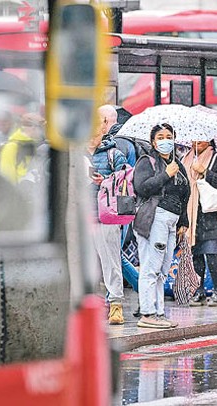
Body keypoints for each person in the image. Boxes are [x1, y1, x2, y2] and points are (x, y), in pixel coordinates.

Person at [133, 123, 190, 329]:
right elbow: (142, 187)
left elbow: (185, 195)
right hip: (154, 218)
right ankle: (147, 312)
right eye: (160, 137)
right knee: (151, 267)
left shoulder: (178, 164)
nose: (165, 140)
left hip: (172, 220)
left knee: (163, 269)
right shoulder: (147, 162)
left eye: (169, 136)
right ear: (153, 142)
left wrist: (184, 221)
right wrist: (166, 174)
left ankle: (158, 312)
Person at [88, 117, 127, 324]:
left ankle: (115, 304)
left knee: (111, 262)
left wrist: (106, 181)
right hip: (82, 216)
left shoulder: (114, 154)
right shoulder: (74, 154)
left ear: (104, 128)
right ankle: (90, 305)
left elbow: (126, 181)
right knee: (85, 266)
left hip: (106, 216)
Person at [183, 137, 217, 307]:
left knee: (212, 255)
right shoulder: (185, 158)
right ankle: (199, 290)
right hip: (190, 214)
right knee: (195, 256)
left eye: (200, 141)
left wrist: (204, 171)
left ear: (209, 141)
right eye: (194, 141)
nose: (196, 143)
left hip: (208, 214)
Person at [0, 113, 47, 184]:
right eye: (41, 128)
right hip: (19, 192)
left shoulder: (34, 145)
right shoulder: (11, 147)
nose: (42, 132)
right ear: (34, 127)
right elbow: (7, 180)